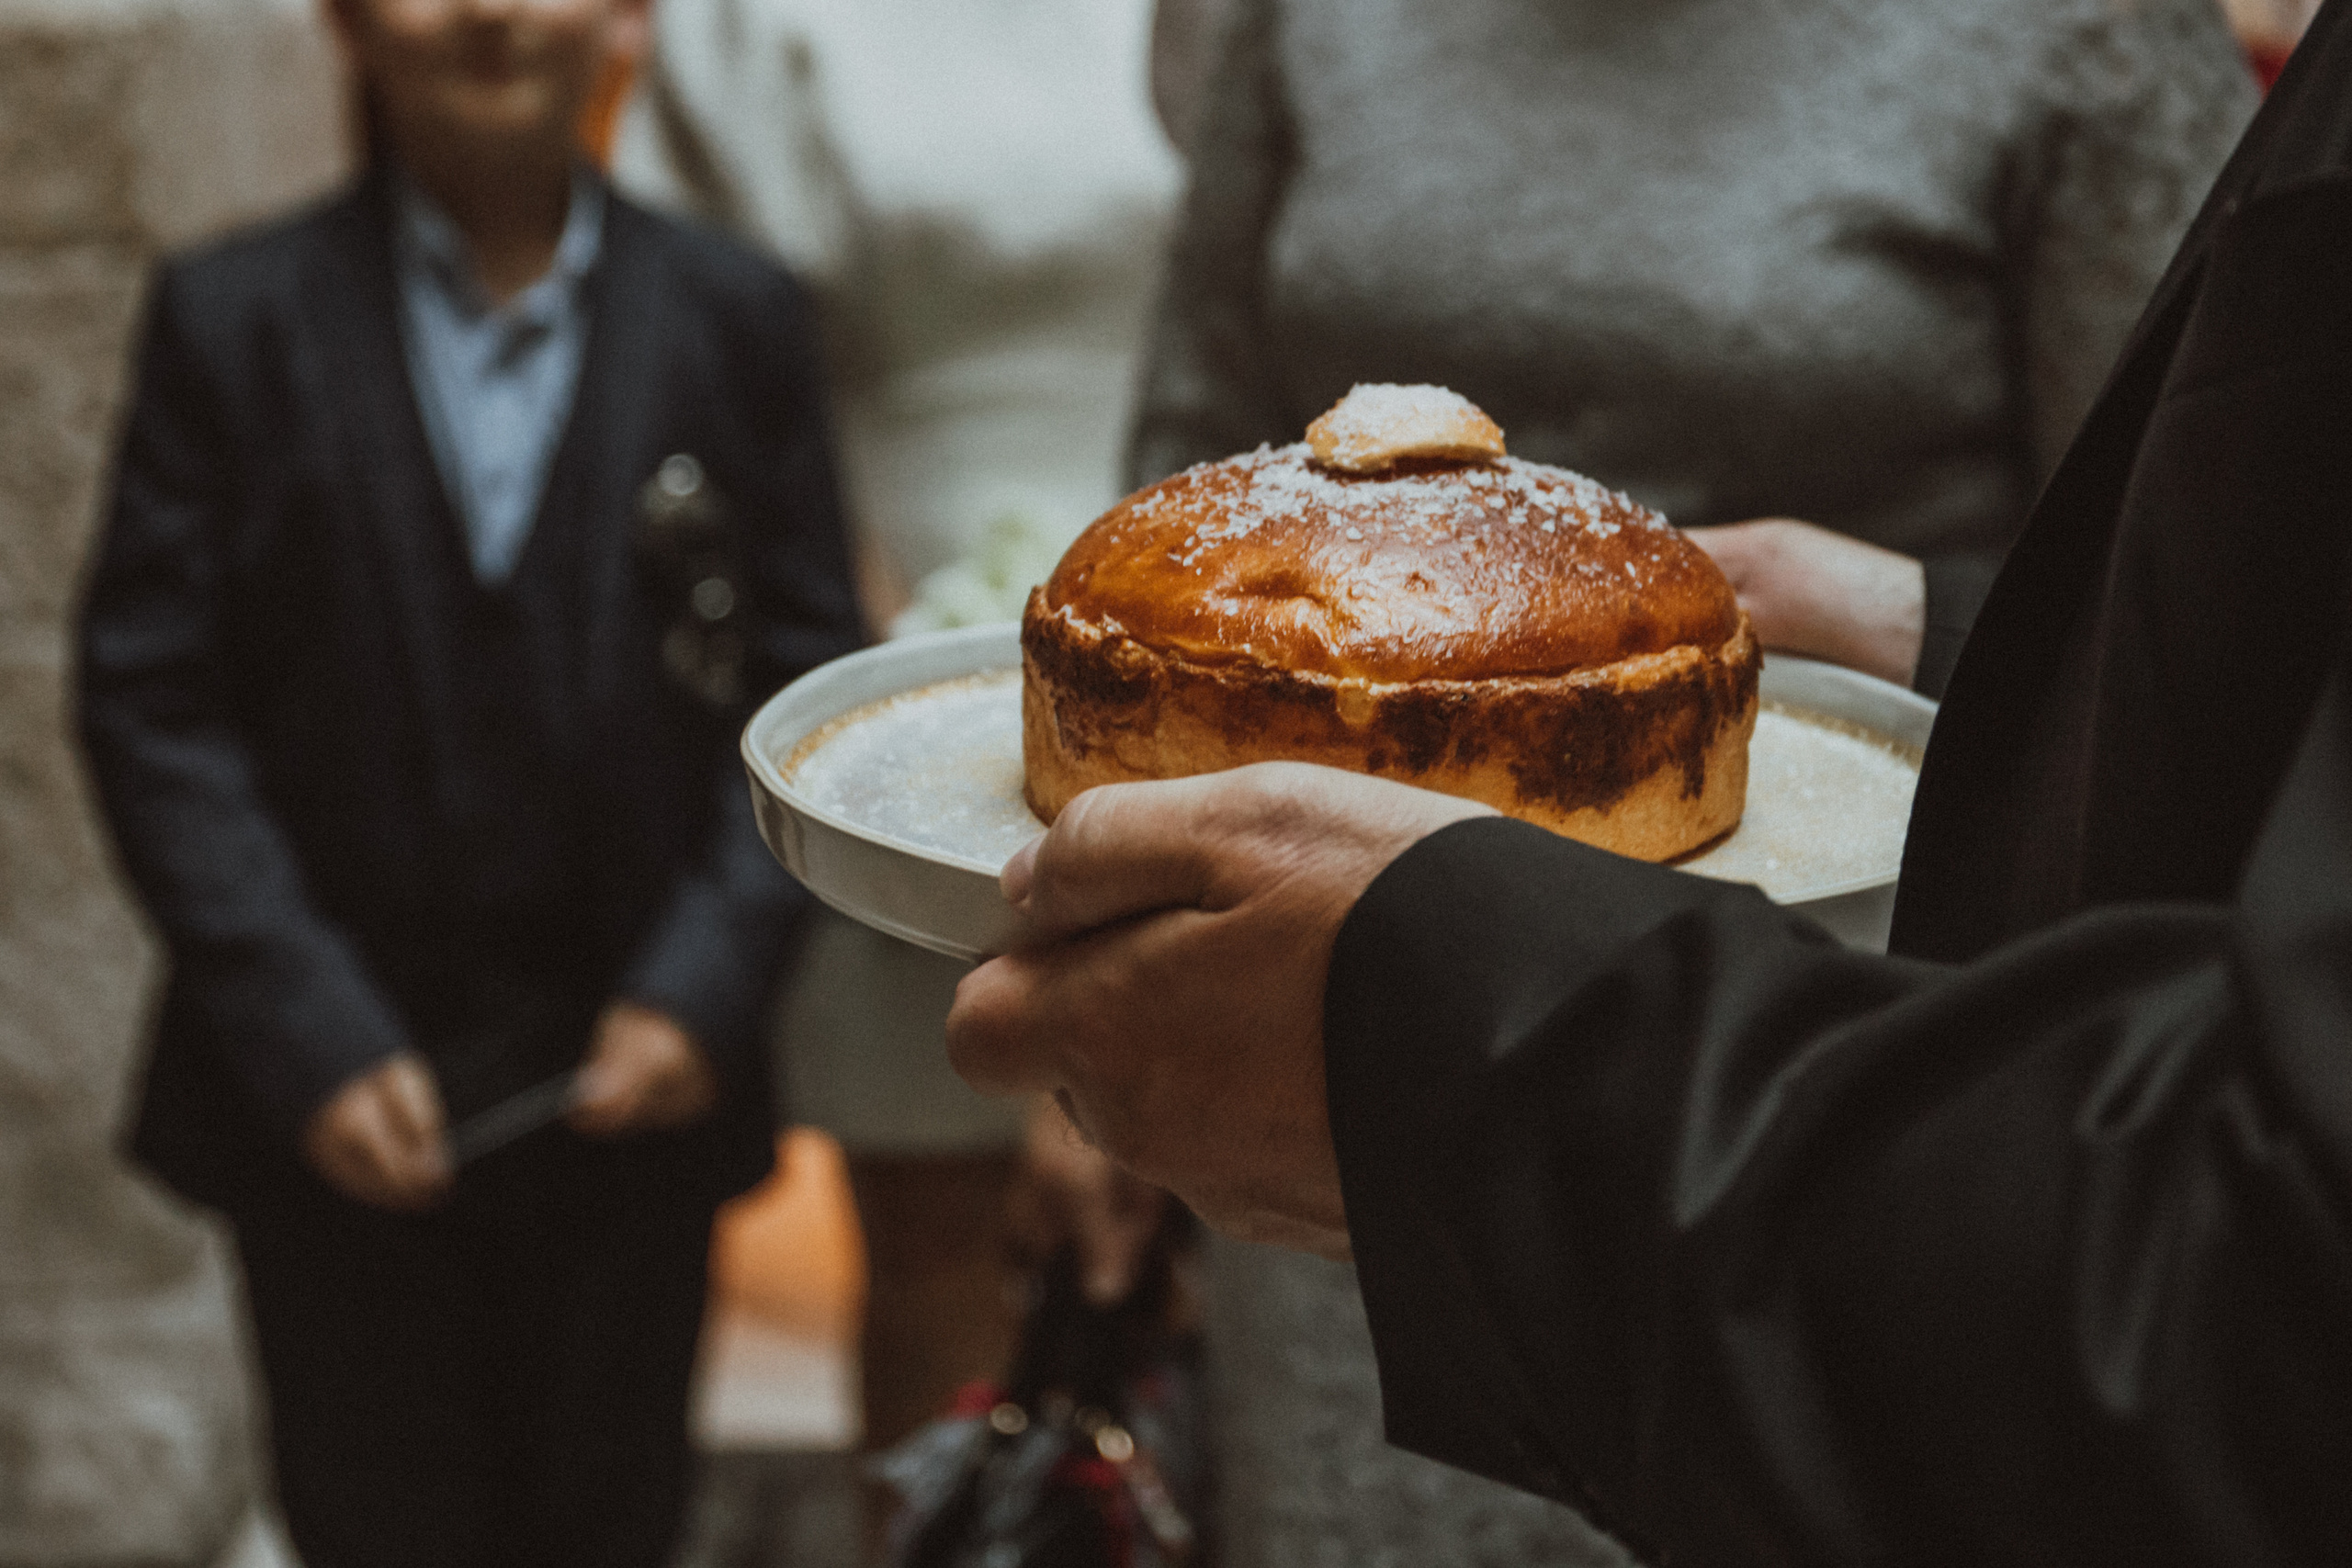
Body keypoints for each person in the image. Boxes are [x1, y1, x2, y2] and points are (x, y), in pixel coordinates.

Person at [944, 0, 2352, 1559]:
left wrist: (1930, 631)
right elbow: (1195, 455)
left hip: (1837, 1091)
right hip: (1298, 1002)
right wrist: (1097, 988)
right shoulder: (1314, 19)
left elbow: (2183, 539)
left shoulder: (2071, 28)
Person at [74, 0, 861, 1556]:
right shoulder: (232, 322)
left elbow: (803, 675)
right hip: (338, 1111)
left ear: (625, 18)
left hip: (630, 1092)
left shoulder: (735, 317)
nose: (495, 11)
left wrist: (702, 985)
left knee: (614, 1518)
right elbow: (152, 699)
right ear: (345, 21)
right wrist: (307, 1025)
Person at [609, 0, 1185, 1456]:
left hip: (1213, 641)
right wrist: (858, 634)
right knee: (947, 1279)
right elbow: (685, 328)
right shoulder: (750, 24)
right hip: (897, 678)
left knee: (1231, 1247)